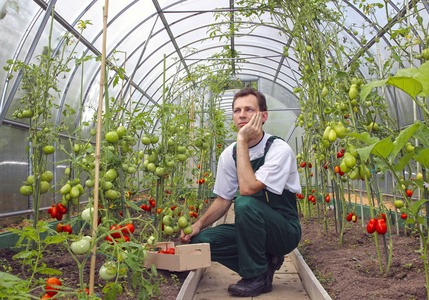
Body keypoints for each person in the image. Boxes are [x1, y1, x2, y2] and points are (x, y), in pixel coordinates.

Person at [180, 87, 301, 297]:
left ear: (263, 116)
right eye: (237, 111)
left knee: (245, 202)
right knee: (200, 243)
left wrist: (243, 140)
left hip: (283, 231)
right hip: (250, 231)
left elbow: (247, 189)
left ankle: (254, 276)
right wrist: (197, 226)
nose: (242, 115)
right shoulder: (230, 154)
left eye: (249, 110)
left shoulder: (278, 149)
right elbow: (223, 199)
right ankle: (264, 268)